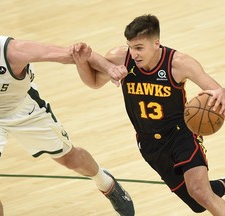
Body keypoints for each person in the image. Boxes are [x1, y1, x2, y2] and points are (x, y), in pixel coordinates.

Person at [0, 13, 135, 216]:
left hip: (25, 111)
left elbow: (74, 54)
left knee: (70, 159)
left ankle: (107, 183)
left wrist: (110, 67)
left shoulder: (14, 52)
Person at [71, 14, 225, 215]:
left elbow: (216, 92)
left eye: (139, 48)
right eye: (131, 47)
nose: (134, 54)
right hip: (149, 143)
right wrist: (82, 63)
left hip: (181, 136)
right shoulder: (121, 58)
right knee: (197, 203)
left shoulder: (179, 63)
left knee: (200, 193)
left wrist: (220, 92)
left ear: (156, 43)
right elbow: (93, 82)